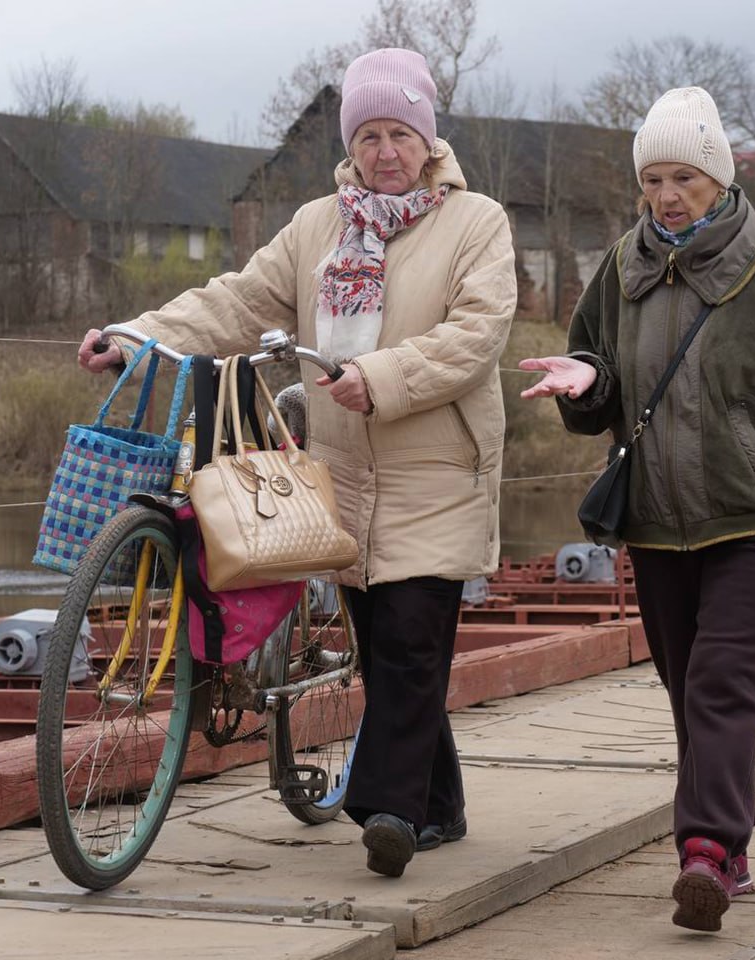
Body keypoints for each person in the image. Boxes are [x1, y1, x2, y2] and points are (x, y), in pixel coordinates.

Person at [77, 48, 516, 879]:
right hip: (342, 476)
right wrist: (137, 338)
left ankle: (387, 810)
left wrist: (379, 376)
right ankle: (442, 804)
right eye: (370, 135)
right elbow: (238, 300)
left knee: (416, 639)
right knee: (387, 644)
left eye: (401, 133)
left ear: (428, 138)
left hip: (438, 469)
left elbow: (476, 335)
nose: (386, 151)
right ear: (351, 144)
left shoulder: (477, 221)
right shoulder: (319, 224)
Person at [518, 87, 755, 933]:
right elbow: (596, 379)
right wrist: (585, 386)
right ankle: (732, 842)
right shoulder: (623, 266)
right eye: (652, 178)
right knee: (689, 689)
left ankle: (707, 852)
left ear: (719, 179)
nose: (667, 194)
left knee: (724, 684)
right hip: (657, 519)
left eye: (684, 175)